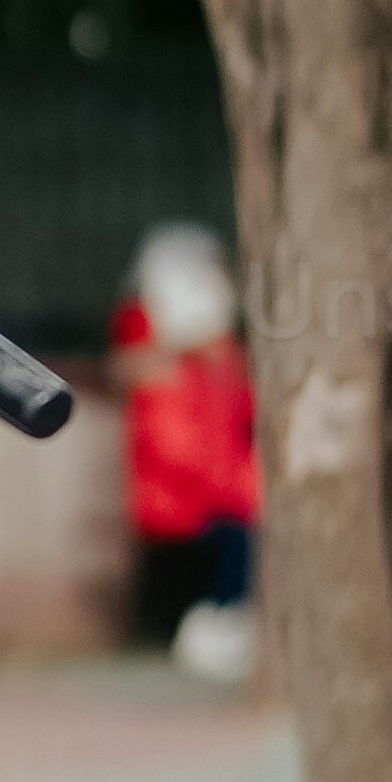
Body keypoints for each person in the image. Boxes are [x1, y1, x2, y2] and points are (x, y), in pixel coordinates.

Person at [112, 218, 260, 683]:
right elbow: (173, 441)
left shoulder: (218, 361)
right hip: (186, 492)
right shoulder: (150, 345)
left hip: (220, 487)